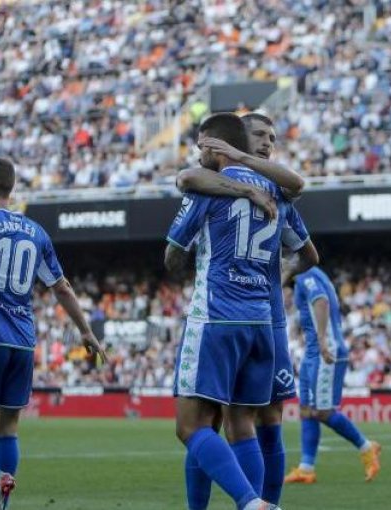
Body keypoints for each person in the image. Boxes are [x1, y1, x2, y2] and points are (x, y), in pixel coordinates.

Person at [177, 112, 319, 506]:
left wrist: (281, 273)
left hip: (260, 318)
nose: (267, 143)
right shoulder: (236, 185)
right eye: (259, 135)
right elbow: (188, 177)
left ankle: (262, 502)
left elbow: (308, 253)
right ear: (238, 136)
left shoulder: (278, 192)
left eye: (272, 138)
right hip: (251, 317)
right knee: (220, 420)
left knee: (259, 420)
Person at [0, 157, 105, 510]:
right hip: (23, 341)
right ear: (12, 189)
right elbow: (62, 288)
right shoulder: (36, 231)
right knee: (8, 427)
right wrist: (85, 330)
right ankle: (1, 504)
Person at [164, 113, 285, 510]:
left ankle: (251, 502)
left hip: (216, 315)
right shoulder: (276, 189)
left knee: (192, 427)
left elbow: (172, 257)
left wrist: (194, 252)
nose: (198, 153)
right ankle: (257, 503)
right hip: (261, 321)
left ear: (216, 146)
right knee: (240, 425)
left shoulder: (207, 190)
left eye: (202, 145)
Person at [284, 266, 382, 484]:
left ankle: (367, 447)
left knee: (323, 411)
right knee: (307, 410)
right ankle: (306, 468)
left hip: (324, 351)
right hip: (312, 353)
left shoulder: (306, 274)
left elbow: (321, 301)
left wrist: (321, 340)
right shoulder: (314, 274)